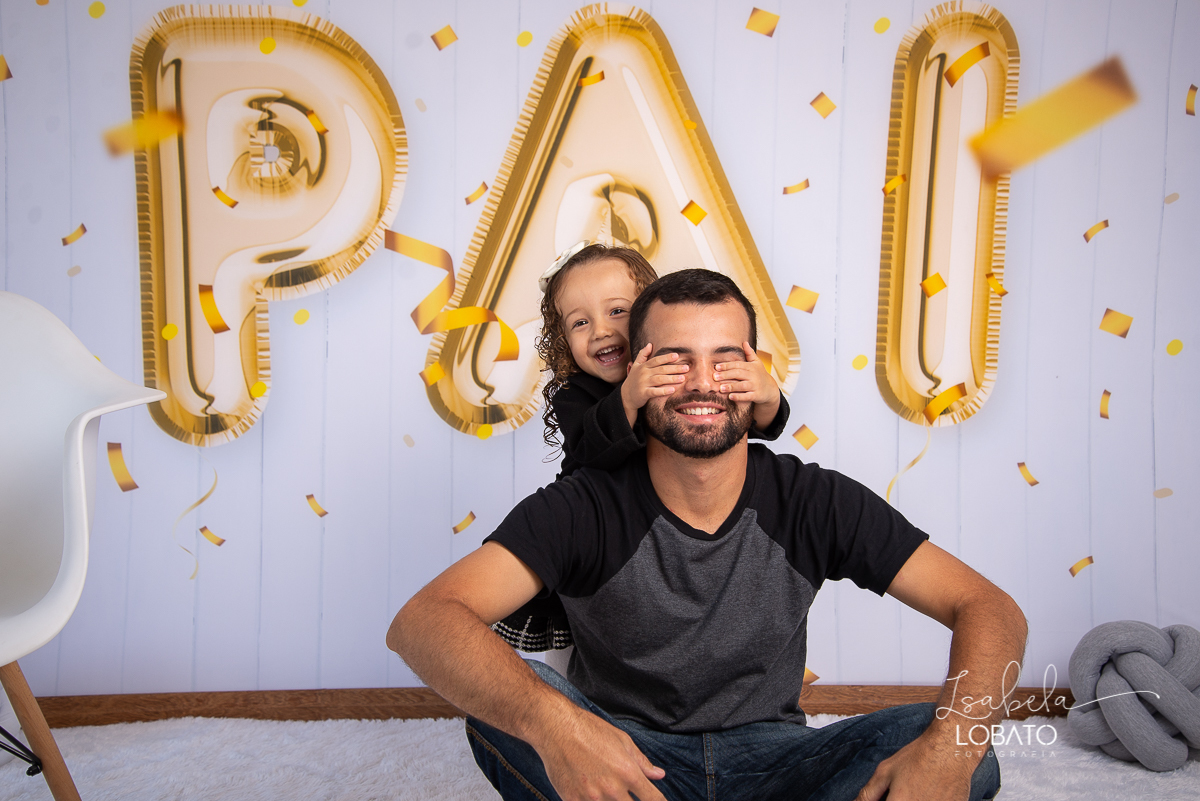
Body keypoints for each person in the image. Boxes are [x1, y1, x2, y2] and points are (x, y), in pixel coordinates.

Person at [387, 269, 1027, 801]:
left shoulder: (812, 498)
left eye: (725, 359)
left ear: (757, 374)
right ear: (635, 373)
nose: (701, 382)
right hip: (629, 763)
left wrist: (950, 750)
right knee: (512, 709)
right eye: (675, 360)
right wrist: (559, 729)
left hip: (779, 761)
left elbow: (988, 607)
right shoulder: (582, 506)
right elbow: (422, 621)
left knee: (956, 747)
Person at [493, 243, 788, 653]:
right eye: (580, 322)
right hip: (596, 525)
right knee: (583, 630)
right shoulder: (574, 394)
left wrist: (767, 398)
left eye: (617, 311)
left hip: (663, 521)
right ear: (563, 340)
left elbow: (733, 429)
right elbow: (590, 449)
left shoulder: (681, 376)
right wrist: (628, 398)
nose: (601, 330)